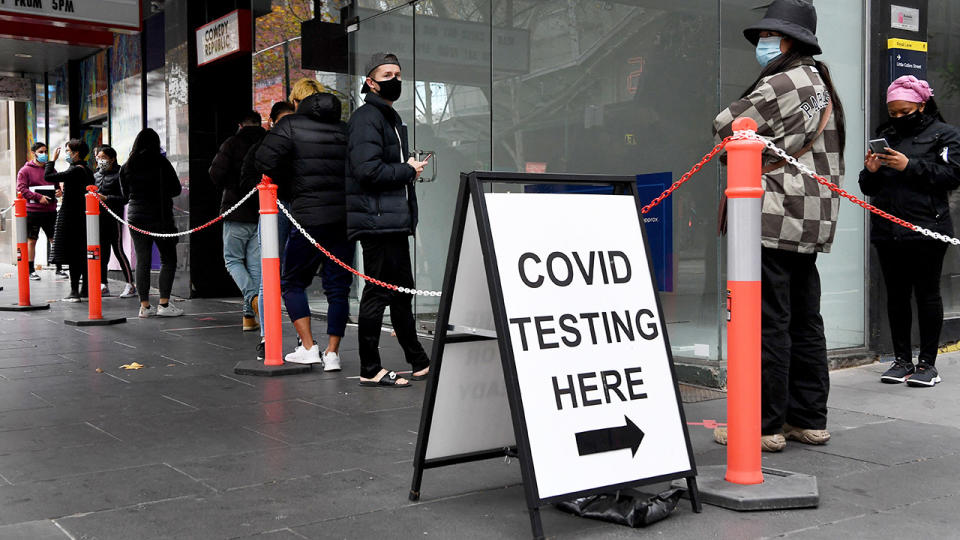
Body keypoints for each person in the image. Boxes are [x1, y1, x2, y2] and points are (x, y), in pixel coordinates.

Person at [712, 0, 845, 451]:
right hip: (813, 216)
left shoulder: (784, 80)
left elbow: (726, 124)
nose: (764, 44)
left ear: (789, 41)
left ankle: (762, 423)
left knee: (767, 321)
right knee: (806, 321)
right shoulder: (822, 82)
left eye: (771, 37)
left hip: (773, 212)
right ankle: (807, 418)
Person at [860, 76, 960, 388]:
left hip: (927, 228)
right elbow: (868, 187)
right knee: (897, 296)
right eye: (894, 113)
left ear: (921, 104)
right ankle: (901, 359)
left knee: (927, 294)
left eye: (905, 111)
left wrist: (910, 165)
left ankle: (928, 364)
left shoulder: (946, 135)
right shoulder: (885, 135)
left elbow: (952, 176)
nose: (899, 118)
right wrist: (871, 172)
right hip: (887, 228)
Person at [346, 53, 430, 388]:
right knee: (379, 292)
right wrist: (408, 170)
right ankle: (369, 368)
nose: (394, 79)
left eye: (397, 73)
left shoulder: (389, 117)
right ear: (370, 81)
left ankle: (418, 359)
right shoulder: (367, 118)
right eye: (386, 74)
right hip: (377, 219)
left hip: (390, 219)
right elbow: (366, 171)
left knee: (401, 292)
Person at [257, 92, 352, 370]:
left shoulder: (290, 126)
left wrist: (290, 182)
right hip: (342, 219)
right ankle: (333, 353)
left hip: (308, 218)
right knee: (338, 288)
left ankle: (309, 347)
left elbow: (264, 161)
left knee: (293, 282)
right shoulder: (345, 130)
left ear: (302, 106)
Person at [209, 111, 266, 331]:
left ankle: (252, 300)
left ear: (240, 124)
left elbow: (215, 174)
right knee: (254, 267)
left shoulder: (232, 143)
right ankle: (249, 318)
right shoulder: (267, 142)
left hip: (236, 210)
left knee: (232, 260)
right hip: (262, 210)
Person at [119, 128, 184, 318]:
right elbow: (176, 189)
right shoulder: (162, 163)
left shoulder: (128, 165)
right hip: (160, 217)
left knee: (143, 261)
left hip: (136, 217)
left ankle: (144, 306)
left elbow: (124, 195)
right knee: (168, 259)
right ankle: (164, 304)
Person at [249, 101, 296, 357]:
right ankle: (267, 336)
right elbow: (248, 174)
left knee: (295, 276)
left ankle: (303, 338)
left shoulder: (302, 143)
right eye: (284, 121)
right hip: (273, 210)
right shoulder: (264, 146)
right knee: (269, 276)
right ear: (273, 123)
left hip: (296, 209)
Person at [47, 140, 96, 302]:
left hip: (72, 217)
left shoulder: (76, 170)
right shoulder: (87, 170)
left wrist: (52, 160)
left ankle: (75, 291)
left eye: (68, 151)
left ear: (76, 153)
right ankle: (84, 290)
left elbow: (48, 176)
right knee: (83, 254)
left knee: (74, 254)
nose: (66, 153)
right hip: (84, 217)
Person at [15, 142, 64, 281]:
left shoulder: (51, 170)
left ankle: (59, 268)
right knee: (32, 240)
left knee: (55, 239)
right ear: (34, 153)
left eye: (45, 151)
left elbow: (56, 187)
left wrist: (58, 192)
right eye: (41, 151)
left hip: (50, 210)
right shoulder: (25, 171)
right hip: (32, 211)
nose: (44, 154)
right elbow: (21, 189)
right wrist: (38, 198)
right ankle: (31, 270)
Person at [94, 145, 136, 298]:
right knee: (102, 252)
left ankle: (130, 284)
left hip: (114, 218)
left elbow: (125, 198)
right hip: (98, 218)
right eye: (98, 158)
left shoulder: (119, 174)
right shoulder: (96, 175)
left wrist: (106, 198)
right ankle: (103, 284)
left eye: (103, 158)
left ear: (112, 159)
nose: (100, 161)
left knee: (118, 250)